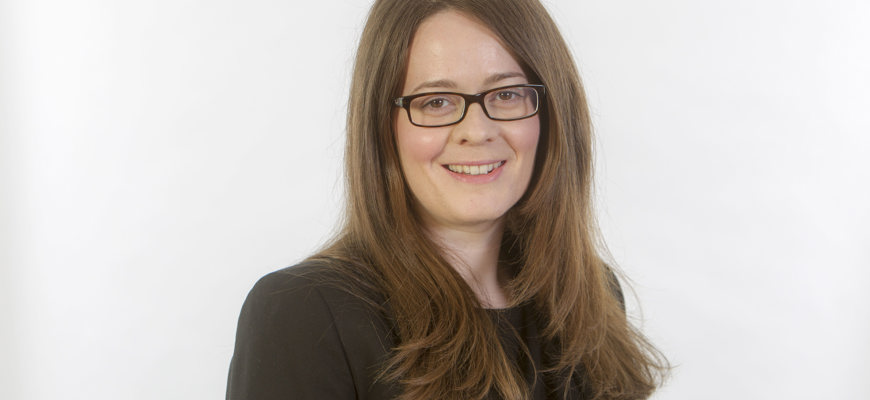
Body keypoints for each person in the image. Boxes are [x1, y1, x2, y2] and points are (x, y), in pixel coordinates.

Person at [227, 0, 668, 399]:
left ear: (551, 115)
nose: (476, 131)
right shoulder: (303, 314)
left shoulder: (590, 295)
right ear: (383, 128)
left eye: (507, 94)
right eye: (436, 101)